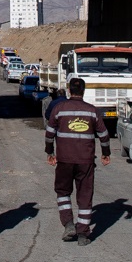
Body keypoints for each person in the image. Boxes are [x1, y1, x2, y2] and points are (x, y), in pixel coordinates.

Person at [45, 77, 110, 246]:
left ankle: (68, 224)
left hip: (64, 160)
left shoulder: (59, 109)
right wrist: (106, 153)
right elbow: (104, 135)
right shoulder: (92, 111)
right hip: (86, 161)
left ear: (69, 91)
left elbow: (49, 133)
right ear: (84, 91)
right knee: (85, 196)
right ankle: (83, 235)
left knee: (62, 192)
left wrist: (50, 153)